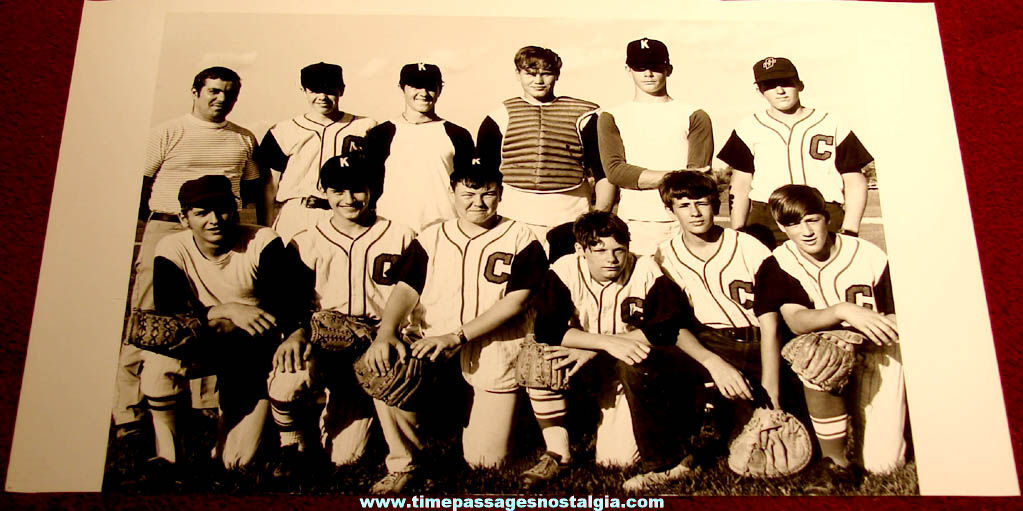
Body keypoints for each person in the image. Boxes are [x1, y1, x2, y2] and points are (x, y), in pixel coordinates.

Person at [367, 159, 568, 489]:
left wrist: (457, 336)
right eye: (469, 193)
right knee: (384, 368)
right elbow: (405, 288)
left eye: (488, 194)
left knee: (486, 462)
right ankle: (405, 463)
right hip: (431, 340)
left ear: (500, 194)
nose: (479, 202)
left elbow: (517, 300)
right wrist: (386, 332)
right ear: (452, 192)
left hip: (496, 344)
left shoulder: (522, 236)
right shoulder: (431, 236)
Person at [114, 66, 266, 438]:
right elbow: (136, 181)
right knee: (152, 315)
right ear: (195, 92)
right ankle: (129, 411)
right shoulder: (168, 132)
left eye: (229, 93)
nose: (221, 99)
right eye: (213, 91)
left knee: (217, 310)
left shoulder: (243, 138)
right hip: (168, 225)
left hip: (219, 233)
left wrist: (260, 229)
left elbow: (253, 190)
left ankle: (206, 407)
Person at [265, 155, 422, 489]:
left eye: (358, 190)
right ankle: (291, 444)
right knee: (288, 373)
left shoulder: (402, 234)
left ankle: (402, 458)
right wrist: (294, 333)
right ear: (323, 190)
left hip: (378, 339)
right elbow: (291, 299)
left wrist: (397, 335)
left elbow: (416, 297)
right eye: (338, 190)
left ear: (373, 190)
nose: (348, 200)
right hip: (324, 339)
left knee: (346, 459)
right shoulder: (305, 238)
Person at [141, 175, 305, 480]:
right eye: (201, 213)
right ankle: (169, 455)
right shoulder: (171, 246)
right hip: (206, 342)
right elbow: (169, 314)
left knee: (236, 463)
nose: (214, 220)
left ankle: (275, 433)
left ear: (236, 208)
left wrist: (234, 321)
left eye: (222, 209)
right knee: (158, 360)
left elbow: (283, 306)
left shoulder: (261, 240)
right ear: (183, 217)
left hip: (254, 352)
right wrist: (227, 309)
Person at [533, 211, 707, 491]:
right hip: (591, 361)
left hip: (626, 372)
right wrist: (604, 342)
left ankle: (672, 446)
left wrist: (599, 346)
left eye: (618, 250)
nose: (611, 259)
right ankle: (558, 451)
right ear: (581, 250)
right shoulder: (565, 269)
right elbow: (547, 330)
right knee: (539, 359)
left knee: (616, 461)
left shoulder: (645, 268)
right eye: (599, 250)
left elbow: (666, 327)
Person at [759, 184, 905, 481]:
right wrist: (842, 311)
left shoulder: (868, 255)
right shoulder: (779, 263)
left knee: (882, 466)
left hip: (880, 351)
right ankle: (834, 460)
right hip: (826, 354)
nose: (806, 231)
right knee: (816, 353)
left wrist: (866, 331)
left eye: (812, 219)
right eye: (793, 223)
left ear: (827, 218)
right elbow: (797, 321)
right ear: (781, 227)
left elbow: (897, 316)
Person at [653, 171, 789, 450]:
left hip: (761, 341)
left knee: (770, 427)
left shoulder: (749, 246)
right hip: (712, 343)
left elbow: (772, 318)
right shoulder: (663, 256)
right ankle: (679, 445)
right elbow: (670, 323)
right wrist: (712, 362)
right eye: (684, 205)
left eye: (702, 203)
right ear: (670, 211)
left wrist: (771, 387)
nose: (695, 213)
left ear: (715, 205)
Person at [717, 57, 874, 246]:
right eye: (770, 85)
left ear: (800, 84)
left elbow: (854, 180)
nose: (780, 91)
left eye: (785, 83)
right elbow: (741, 184)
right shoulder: (748, 127)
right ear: (759, 91)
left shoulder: (832, 123)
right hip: (767, 218)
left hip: (823, 214)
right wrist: (738, 229)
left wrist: (850, 228)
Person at [476, 46, 614, 246]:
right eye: (530, 74)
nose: (538, 81)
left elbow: (604, 172)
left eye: (546, 73)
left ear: (557, 75)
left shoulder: (585, 116)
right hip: (514, 211)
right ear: (518, 74)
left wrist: (599, 218)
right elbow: (485, 177)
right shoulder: (499, 117)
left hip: (570, 211)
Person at [597, 38, 714, 255]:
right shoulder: (611, 116)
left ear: (668, 69)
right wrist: (679, 176)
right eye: (640, 67)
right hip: (636, 221)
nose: (648, 73)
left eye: (655, 67)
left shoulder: (694, 115)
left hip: (685, 221)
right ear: (628, 69)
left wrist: (644, 176)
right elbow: (615, 171)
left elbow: (699, 177)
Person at [256, 62, 378, 242]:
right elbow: (269, 185)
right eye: (314, 90)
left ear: (341, 90)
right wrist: (264, 229)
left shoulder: (366, 126)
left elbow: (377, 177)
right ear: (304, 90)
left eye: (329, 90)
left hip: (348, 211)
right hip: (299, 212)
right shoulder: (283, 130)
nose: (322, 97)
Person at [365, 63, 474, 233]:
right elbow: (371, 183)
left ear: (440, 89)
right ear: (402, 88)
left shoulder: (457, 134)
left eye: (430, 87)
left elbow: (468, 187)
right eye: (416, 86)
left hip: (445, 227)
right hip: (391, 228)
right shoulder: (381, 133)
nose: (423, 93)